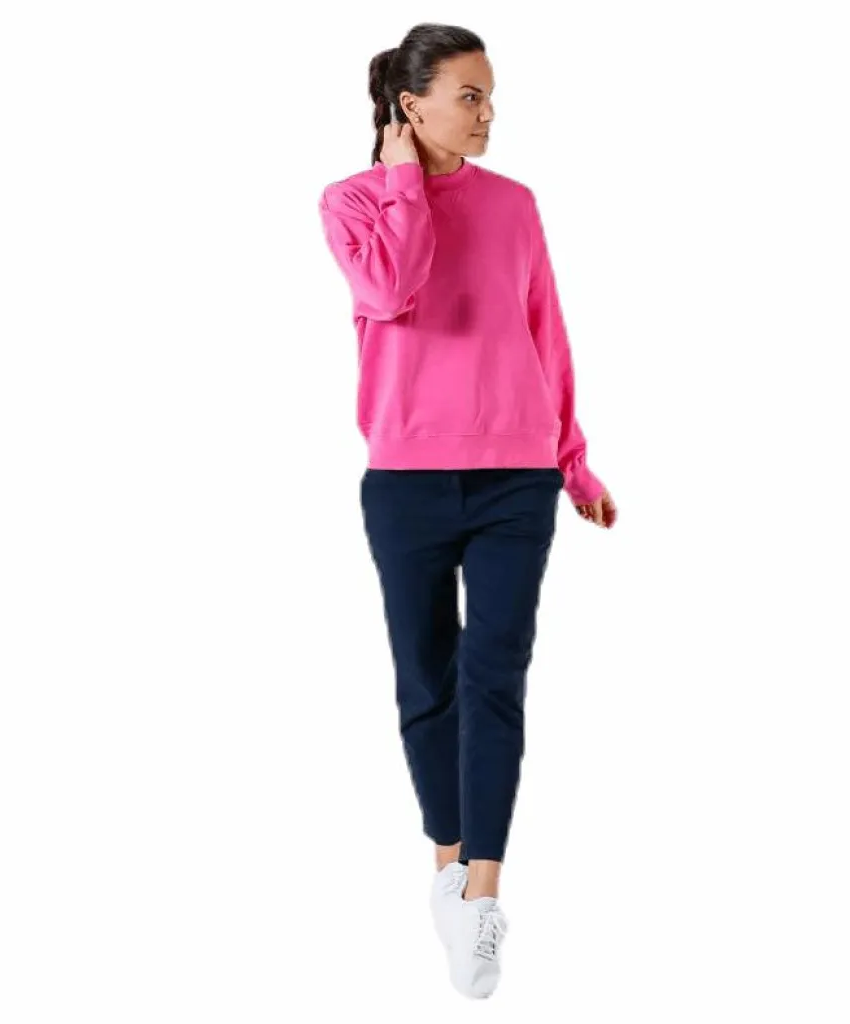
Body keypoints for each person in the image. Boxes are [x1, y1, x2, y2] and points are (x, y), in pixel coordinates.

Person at [317, 22, 617, 999]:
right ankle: (446, 866)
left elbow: (545, 330)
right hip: (405, 480)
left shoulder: (515, 205)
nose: (488, 114)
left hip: (514, 478)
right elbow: (390, 288)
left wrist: (572, 461)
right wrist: (404, 182)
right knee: (426, 681)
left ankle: (482, 893)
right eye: (470, 95)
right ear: (412, 105)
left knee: (495, 678)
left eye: (490, 96)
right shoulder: (353, 202)